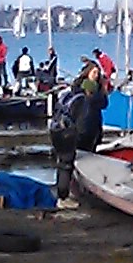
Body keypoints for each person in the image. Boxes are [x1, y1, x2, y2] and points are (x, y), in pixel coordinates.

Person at [51, 65, 104, 200]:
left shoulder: (93, 92)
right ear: (87, 73)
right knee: (70, 163)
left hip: (86, 131)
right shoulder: (82, 95)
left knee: (74, 163)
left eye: (98, 72)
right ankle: (67, 193)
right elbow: (83, 116)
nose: (96, 75)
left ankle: (75, 191)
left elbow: (102, 104)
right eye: (94, 72)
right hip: (79, 133)